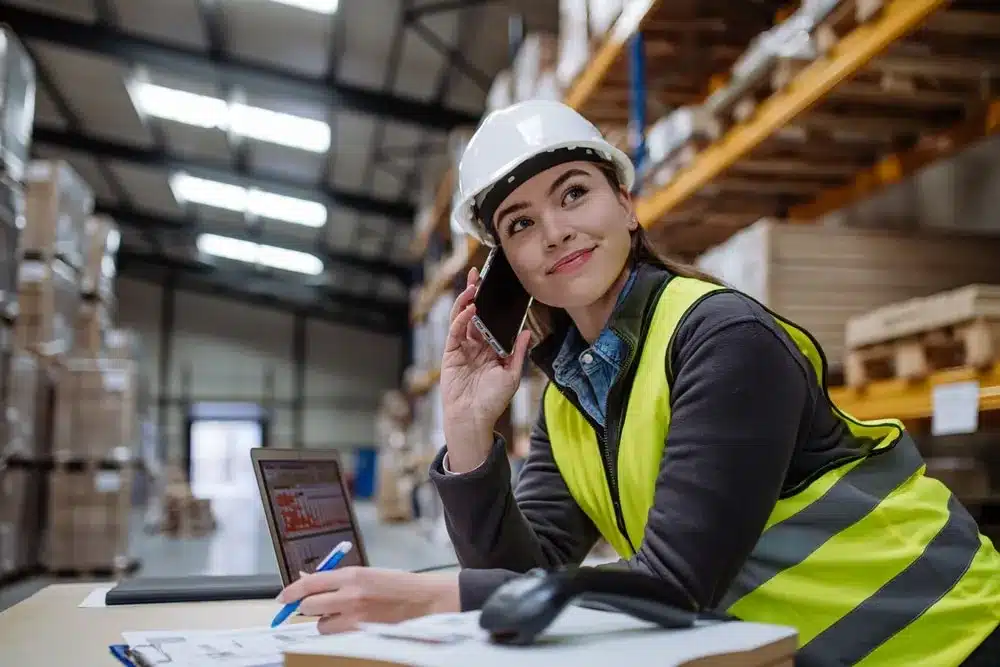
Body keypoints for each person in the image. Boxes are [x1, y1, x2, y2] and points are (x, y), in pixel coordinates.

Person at [277, 100, 1000, 665]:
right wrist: (469, 435)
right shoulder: (573, 394)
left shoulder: (723, 340)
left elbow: (676, 585)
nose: (555, 232)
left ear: (626, 203)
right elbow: (524, 580)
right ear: (507, 267)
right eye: (521, 222)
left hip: (947, 639)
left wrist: (425, 597)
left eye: (573, 193)